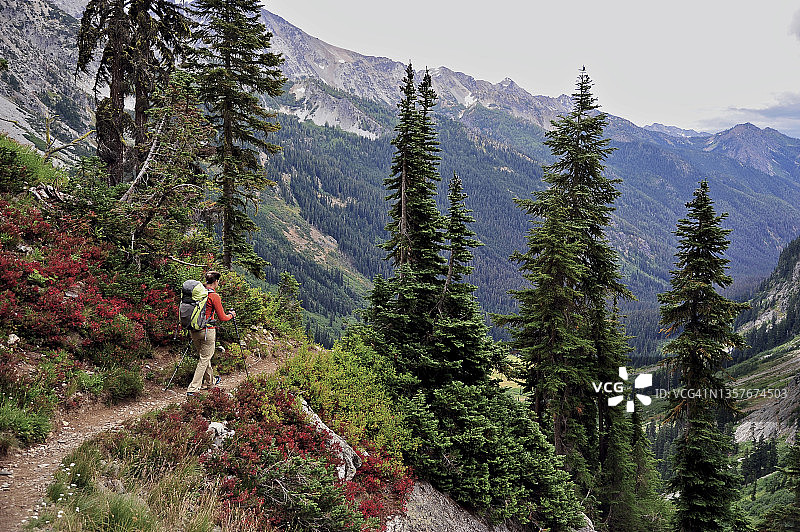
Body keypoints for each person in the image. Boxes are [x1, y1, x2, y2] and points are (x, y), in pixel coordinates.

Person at [187, 271, 236, 397]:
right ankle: (193, 388)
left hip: (193, 330)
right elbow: (222, 317)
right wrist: (231, 315)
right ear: (216, 282)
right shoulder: (214, 296)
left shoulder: (197, 293)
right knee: (204, 358)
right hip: (207, 331)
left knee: (204, 357)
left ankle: (210, 382)